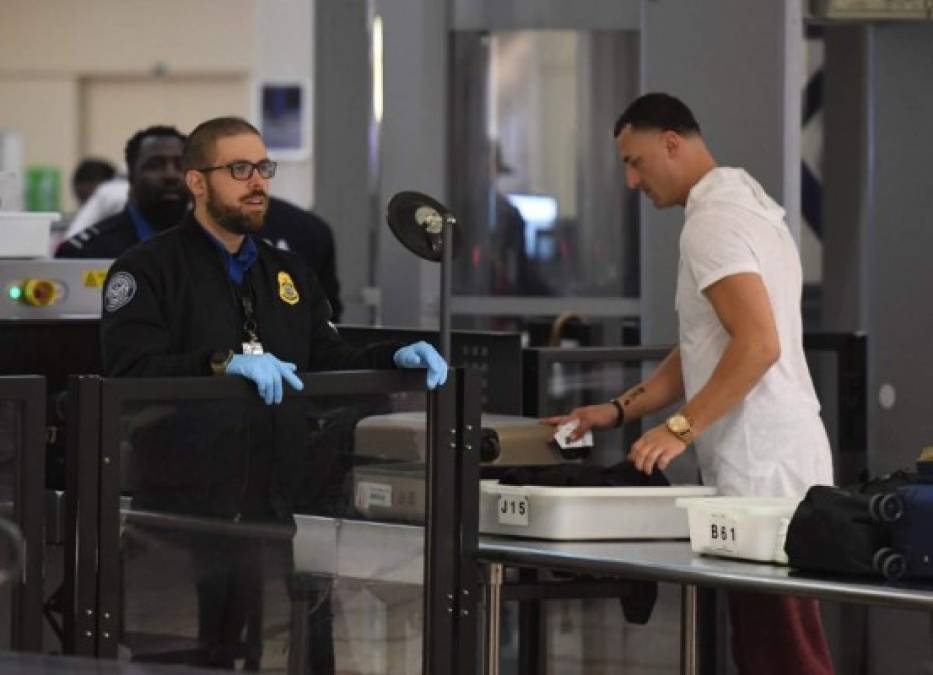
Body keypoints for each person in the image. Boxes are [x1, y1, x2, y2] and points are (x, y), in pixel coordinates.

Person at [100, 115, 446, 669]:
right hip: (179, 516)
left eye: (263, 167)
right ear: (197, 182)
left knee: (275, 655)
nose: (257, 181)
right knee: (181, 659)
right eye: (239, 169)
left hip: (274, 512)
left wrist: (392, 357)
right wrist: (221, 365)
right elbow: (129, 369)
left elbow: (324, 359)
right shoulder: (147, 269)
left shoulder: (288, 273)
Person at [542, 93, 835, 675]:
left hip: (763, 472)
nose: (631, 181)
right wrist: (617, 411)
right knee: (768, 649)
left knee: (784, 656)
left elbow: (758, 345)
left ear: (672, 142)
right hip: (780, 464)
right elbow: (706, 345)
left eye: (636, 161)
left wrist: (679, 428)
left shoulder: (713, 225)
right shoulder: (748, 206)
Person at [57, 126, 189, 258]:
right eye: (155, 165)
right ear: (131, 176)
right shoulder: (85, 251)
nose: (171, 175)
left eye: (181, 165)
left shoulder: (207, 242)